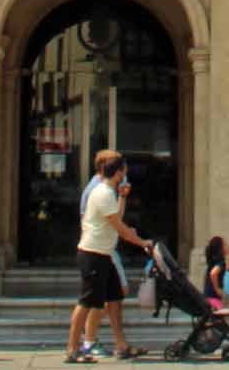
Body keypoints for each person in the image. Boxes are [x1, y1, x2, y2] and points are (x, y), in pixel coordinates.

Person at [69, 150, 153, 365]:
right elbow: (120, 228)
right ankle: (72, 349)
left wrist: (123, 197)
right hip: (93, 254)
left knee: (115, 299)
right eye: (124, 171)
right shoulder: (102, 193)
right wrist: (142, 242)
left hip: (104, 253)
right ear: (118, 172)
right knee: (86, 302)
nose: (126, 175)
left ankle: (121, 345)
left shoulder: (109, 191)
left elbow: (116, 218)